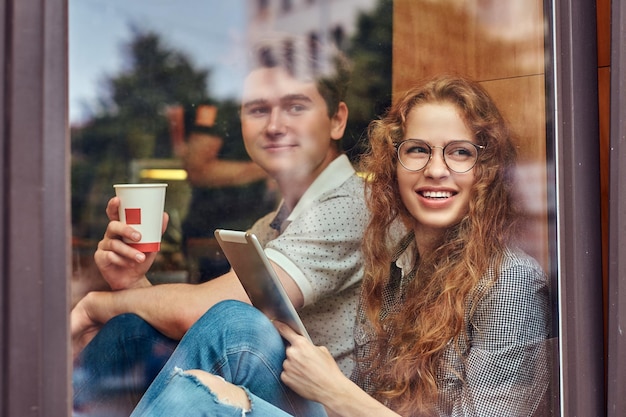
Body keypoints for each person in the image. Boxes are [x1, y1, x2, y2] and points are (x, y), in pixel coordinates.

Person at [129, 74, 552, 417]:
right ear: (393, 165)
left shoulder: (511, 282)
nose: (435, 170)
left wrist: (333, 391)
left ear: (487, 170)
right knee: (232, 325)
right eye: (417, 150)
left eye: (460, 153)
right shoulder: (395, 266)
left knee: (197, 398)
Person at [71, 36, 367, 416]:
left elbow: (207, 316)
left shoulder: (353, 206)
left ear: (337, 119)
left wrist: (97, 304)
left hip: (340, 407)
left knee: (236, 325)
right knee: (134, 329)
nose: (275, 125)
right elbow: (196, 331)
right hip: (280, 397)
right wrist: (131, 282)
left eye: (296, 106)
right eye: (258, 109)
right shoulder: (271, 223)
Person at [171, 100, 277, 282]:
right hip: (219, 239)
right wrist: (269, 167)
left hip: (254, 234)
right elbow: (198, 170)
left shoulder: (263, 103)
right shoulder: (223, 104)